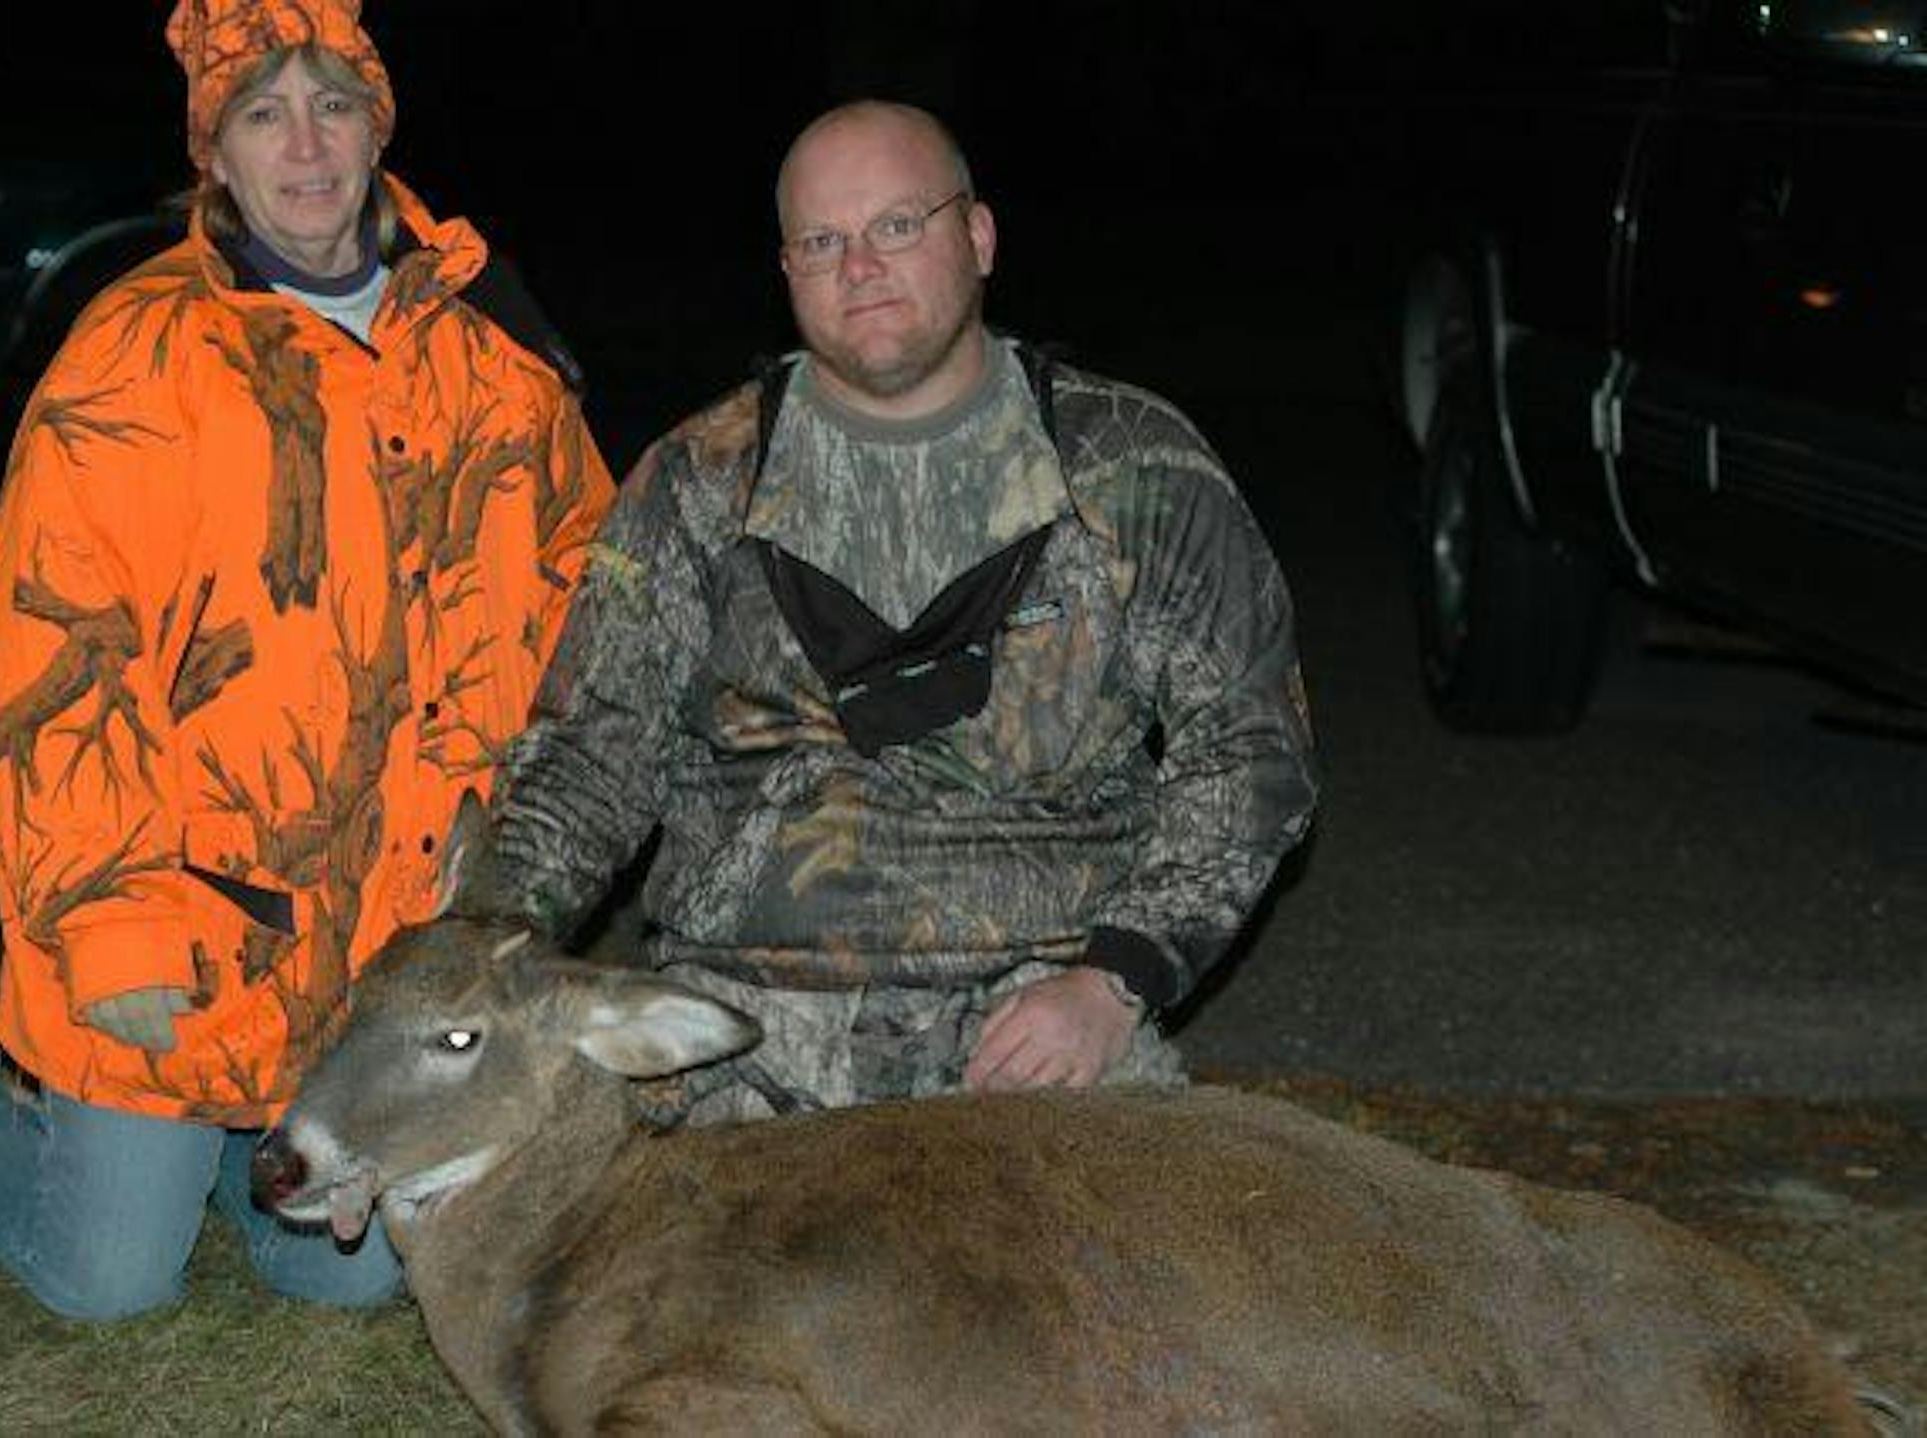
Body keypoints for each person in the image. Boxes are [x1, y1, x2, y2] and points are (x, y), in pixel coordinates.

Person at [0, 0, 614, 1321]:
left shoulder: (487, 354)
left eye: (333, 106)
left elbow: (589, 574)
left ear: (375, 128)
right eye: (262, 115)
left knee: (349, 1274)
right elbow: (50, 656)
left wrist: (517, 825)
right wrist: (111, 926)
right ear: (213, 153)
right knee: (111, 1280)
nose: (306, 147)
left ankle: (233, 1149)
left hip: (386, 938)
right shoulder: (136, 353)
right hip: (186, 916)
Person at [463, 100, 1318, 1126]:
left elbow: (1251, 752)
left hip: (1034, 1020)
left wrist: (1114, 980)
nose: (859, 265)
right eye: (822, 241)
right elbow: (591, 760)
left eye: (897, 226)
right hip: (744, 1019)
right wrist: (485, 946)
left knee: (1116, 1274)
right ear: (787, 274)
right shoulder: (696, 482)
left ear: (979, 236)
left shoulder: (1136, 466)